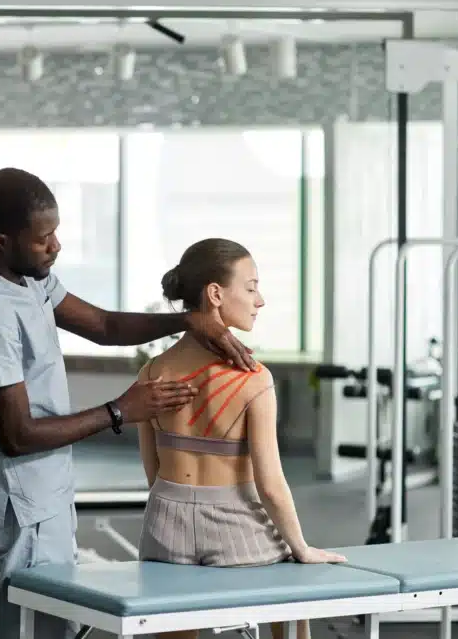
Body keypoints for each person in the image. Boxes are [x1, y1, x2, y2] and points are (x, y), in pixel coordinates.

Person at [0, 168, 258, 639]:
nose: (56, 246)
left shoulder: (28, 279)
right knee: (34, 632)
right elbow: (16, 435)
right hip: (19, 509)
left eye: (56, 232)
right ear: (3, 241)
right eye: (43, 238)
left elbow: (105, 326)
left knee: (57, 630)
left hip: (45, 495)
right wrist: (120, 411)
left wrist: (189, 321)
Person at [135, 237, 347, 639]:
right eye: (251, 287)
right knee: (292, 602)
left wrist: (177, 508)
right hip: (234, 525)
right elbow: (270, 484)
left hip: (164, 520)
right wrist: (300, 547)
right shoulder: (253, 379)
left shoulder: (151, 372)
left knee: (173, 624)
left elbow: (153, 468)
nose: (260, 299)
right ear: (215, 293)